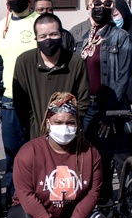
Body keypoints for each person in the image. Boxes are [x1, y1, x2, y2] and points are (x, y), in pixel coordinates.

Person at [7, 92, 106, 218]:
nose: (65, 128)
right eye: (58, 122)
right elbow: (25, 195)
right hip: (31, 212)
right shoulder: (29, 152)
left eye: (70, 123)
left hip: (70, 213)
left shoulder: (90, 153)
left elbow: (93, 192)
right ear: (48, 123)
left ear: (78, 125)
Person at [69, 0, 132, 216]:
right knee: (80, 159)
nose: (102, 8)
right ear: (88, 6)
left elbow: (122, 77)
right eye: (97, 3)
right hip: (82, 106)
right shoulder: (76, 35)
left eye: (108, 4)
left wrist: (110, 112)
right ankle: (82, 211)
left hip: (107, 105)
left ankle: (106, 214)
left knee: (103, 162)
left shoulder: (121, 37)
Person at [0, 0, 38, 194]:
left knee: (39, 157)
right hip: (10, 101)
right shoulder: (0, 28)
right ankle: (14, 205)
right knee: (13, 157)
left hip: (39, 99)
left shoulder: (40, 22)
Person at [12, 13, 90, 142]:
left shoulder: (76, 62)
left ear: (62, 35)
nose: (48, 40)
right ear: (36, 38)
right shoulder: (24, 61)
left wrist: (67, 125)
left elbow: (82, 101)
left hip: (69, 134)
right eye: (43, 36)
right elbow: (21, 104)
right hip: (37, 135)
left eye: (53, 34)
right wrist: (35, 126)